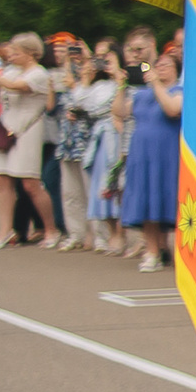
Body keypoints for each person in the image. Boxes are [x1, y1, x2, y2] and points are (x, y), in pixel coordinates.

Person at [0, 35, 60, 249]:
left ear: (31, 53)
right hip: (6, 127)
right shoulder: (11, 70)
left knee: (30, 183)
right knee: (3, 180)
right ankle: (6, 229)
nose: (11, 55)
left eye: (16, 52)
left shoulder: (39, 74)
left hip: (28, 129)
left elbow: (14, 87)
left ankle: (50, 228)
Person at [116, 36, 182, 270]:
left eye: (165, 65)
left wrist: (156, 84)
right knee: (146, 200)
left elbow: (173, 110)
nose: (160, 69)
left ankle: (168, 249)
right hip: (141, 153)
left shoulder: (178, 90)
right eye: (158, 66)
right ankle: (152, 251)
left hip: (166, 153)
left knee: (165, 199)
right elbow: (120, 112)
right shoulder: (141, 94)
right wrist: (121, 85)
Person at [55, 50, 116, 251]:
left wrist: (84, 84)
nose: (86, 68)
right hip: (69, 143)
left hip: (89, 143)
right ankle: (76, 234)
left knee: (93, 191)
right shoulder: (72, 86)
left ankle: (100, 236)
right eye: (83, 65)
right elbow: (64, 105)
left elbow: (88, 106)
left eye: (90, 65)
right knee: (70, 193)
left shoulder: (103, 87)